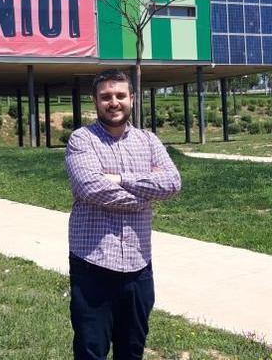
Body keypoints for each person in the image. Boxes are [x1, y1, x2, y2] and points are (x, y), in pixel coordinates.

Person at [64, 69, 181, 360]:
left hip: (139, 267)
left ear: (132, 98)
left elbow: (172, 183)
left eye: (120, 95)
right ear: (95, 101)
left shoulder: (149, 141)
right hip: (93, 265)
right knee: (91, 351)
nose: (113, 102)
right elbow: (91, 188)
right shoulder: (82, 140)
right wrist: (146, 195)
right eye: (106, 97)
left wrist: (118, 178)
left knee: (132, 351)